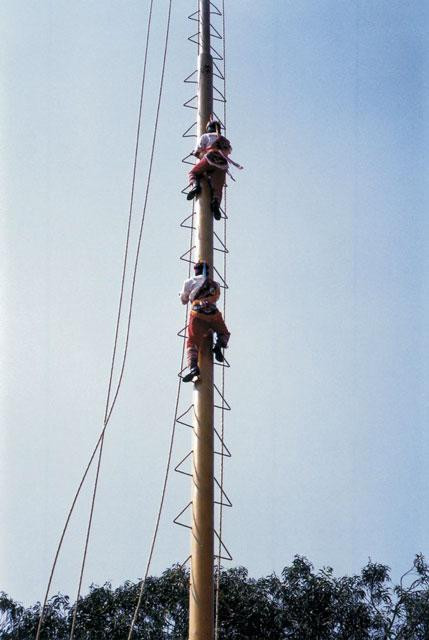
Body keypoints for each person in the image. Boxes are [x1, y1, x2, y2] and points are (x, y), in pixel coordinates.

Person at [179, 261, 230, 383]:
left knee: (192, 342)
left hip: (198, 313)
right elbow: (216, 297)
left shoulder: (190, 282)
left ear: (195, 270)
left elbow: (184, 300)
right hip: (213, 313)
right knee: (224, 332)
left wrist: (183, 295)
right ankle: (218, 346)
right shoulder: (215, 285)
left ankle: (193, 367)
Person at [186, 119, 242, 220]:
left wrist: (196, 153)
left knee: (194, 172)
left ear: (208, 129)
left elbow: (198, 149)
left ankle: (195, 186)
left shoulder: (205, 136)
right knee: (218, 188)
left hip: (210, 158)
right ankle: (216, 203)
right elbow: (229, 151)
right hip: (223, 165)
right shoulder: (225, 140)